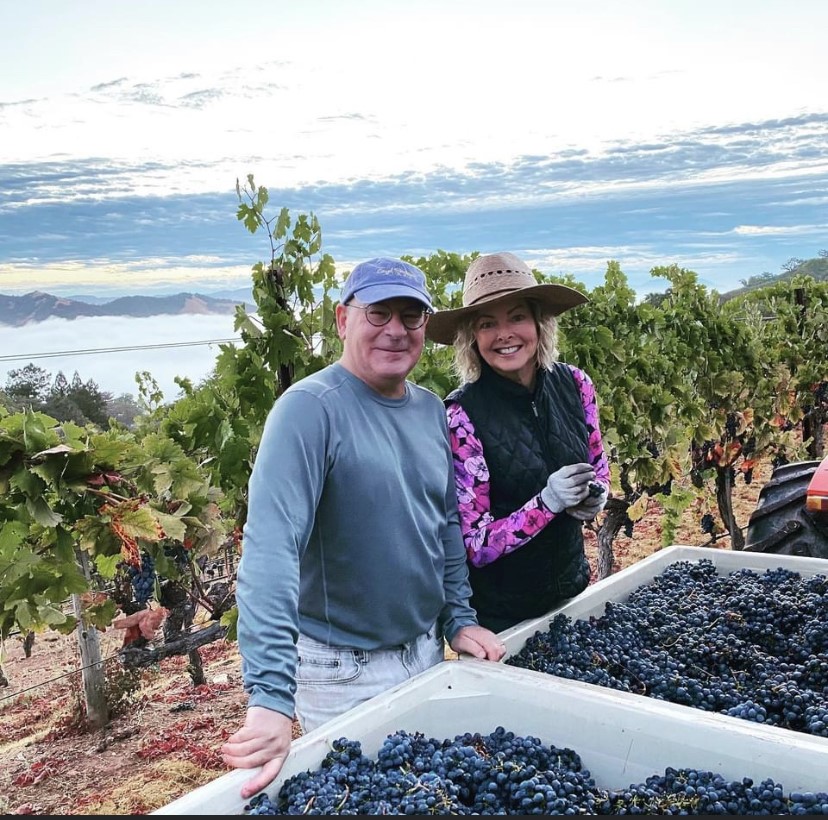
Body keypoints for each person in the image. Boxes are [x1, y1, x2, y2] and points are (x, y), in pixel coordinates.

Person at [221, 256, 506, 799]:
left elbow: (441, 524)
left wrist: (457, 619)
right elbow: (270, 553)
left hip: (425, 653)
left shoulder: (429, 410)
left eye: (411, 317)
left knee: (428, 798)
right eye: (378, 313)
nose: (396, 331)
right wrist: (270, 698)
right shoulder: (307, 410)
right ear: (342, 320)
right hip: (339, 671)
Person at [425, 252, 611, 634]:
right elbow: (475, 544)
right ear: (472, 339)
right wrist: (548, 503)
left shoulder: (576, 385)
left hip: (573, 593)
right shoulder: (462, 417)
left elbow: (598, 463)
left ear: (539, 324)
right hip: (502, 619)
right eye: (487, 323)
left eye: (517, 317)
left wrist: (597, 496)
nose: (504, 334)